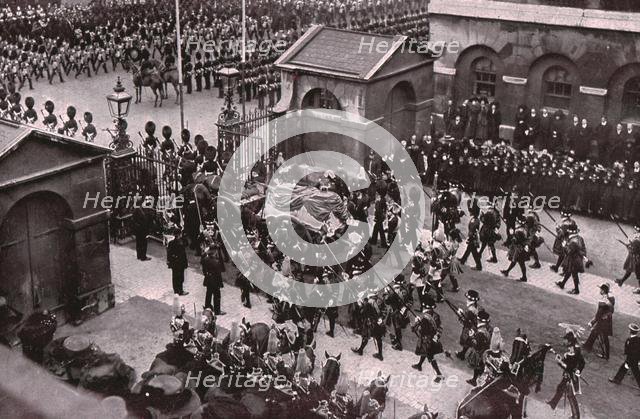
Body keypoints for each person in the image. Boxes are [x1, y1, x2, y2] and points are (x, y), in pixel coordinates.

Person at [546, 331, 585, 419]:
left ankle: (576, 416)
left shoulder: (573, 352)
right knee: (560, 387)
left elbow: (568, 367)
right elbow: (582, 362)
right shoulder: (575, 348)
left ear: (570, 342)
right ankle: (553, 403)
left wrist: (559, 362)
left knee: (571, 396)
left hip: (570, 377)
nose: (564, 342)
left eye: (565, 340)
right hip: (571, 375)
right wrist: (578, 370)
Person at [411, 296, 444, 383]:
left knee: (430, 357)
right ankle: (419, 365)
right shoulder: (436, 316)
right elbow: (439, 328)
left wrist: (417, 323)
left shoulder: (424, 318)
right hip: (433, 339)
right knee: (426, 353)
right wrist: (436, 337)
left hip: (426, 341)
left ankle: (439, 374)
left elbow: (421, 331)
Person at [583, 283, 615, 360]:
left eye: (601, 289)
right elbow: (611, 310)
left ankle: (606, 355)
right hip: (606, 320)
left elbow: (599, 313)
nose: (600, 290)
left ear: (603, 291)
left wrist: (592, 322)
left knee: (603, 338)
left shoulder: (603, 300)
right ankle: (587, 345)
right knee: (595, 332)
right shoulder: (610, 298)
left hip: (603, 322)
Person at [555, 224, 590, 295]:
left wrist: (564, 246)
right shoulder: (580, 238)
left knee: (574, 274)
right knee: (569, 271)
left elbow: (569, 252)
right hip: (578, 259)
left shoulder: (572, 241)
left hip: (573, 260)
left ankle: (576, 290)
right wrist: (583, 256)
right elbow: (583, 249)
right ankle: (562, 283)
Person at [351, 293, 386, 361]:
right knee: (378, 338)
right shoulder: (380, 301)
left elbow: (362, 313)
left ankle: (360, 350)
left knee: (365, 336)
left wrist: (360, 305)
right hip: (378, 323)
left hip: (370, 323)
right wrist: (381, 319)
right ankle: (380, 354)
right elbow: (384, 311)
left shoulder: (368, 303)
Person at [609, 323, 640, 389]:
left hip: (632, 359)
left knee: (635, 373)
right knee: (629, 370)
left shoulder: (631, 340)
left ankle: (617, 379)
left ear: (630, 331)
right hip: (634, 359)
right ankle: (617, 379)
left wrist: (628, 361)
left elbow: (632, 352)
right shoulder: (638, 339)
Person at [465, 309, 491, 386]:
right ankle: (475, 379)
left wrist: (471, 336)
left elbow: (476, 345)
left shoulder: (480, 332)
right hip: (485, 351)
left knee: (478, 367)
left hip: (479, 352)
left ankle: (476, 380)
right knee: (480, 367)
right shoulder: (487, 329)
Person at [201, 244, 226, 315]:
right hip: (215, 280)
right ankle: (217, 310)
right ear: (215, 251)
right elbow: (221, 271)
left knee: (208, 294)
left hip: (208, 279)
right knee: (217, 295)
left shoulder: (205, 259)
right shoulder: (216, 262)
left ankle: (207, 306)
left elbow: (203, 269)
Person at [456, 289, 480, 360]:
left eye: (468, 299)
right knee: (469, 341)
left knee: (467, 340)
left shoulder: (471, 310)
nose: (467, 301)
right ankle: (463, 354)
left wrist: (460, 314)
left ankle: (463, 355)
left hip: (470, 327)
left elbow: (465, 320)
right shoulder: (476, 306)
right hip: (475, 326)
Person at [615, 224, 640, 293]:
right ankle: (621, 281)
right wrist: (630, 243)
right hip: (634, 257)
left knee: (639, 275)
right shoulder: (636, 240)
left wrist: (629, 245)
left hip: (637, 259)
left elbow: (632, 250)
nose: (634, 233)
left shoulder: (637, 240)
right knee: (629, 269)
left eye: (636, 231)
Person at [167, 228, 188, 296]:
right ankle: (180, 291)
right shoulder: (181, 243)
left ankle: (176, 290)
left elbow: (168, 253)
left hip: (174, 263)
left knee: (175, 277)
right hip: (180, 263)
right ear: (179, 234)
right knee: (180, 277)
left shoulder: (171, 242)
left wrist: (169, 261)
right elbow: (186, 245)